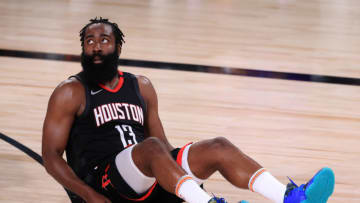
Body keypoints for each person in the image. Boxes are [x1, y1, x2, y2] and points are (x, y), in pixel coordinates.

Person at [42, 17, 335, 203]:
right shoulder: (70, 91)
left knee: (218, 147)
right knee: (151, 147)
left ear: (117, 48)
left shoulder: (140, 86)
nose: (95, 46)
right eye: (89, 41)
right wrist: (88, 196)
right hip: (104, 182)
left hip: (147, 173)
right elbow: (51, 156)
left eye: (103, 40)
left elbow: (165, 148)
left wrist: (191, 179)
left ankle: (290, 198)